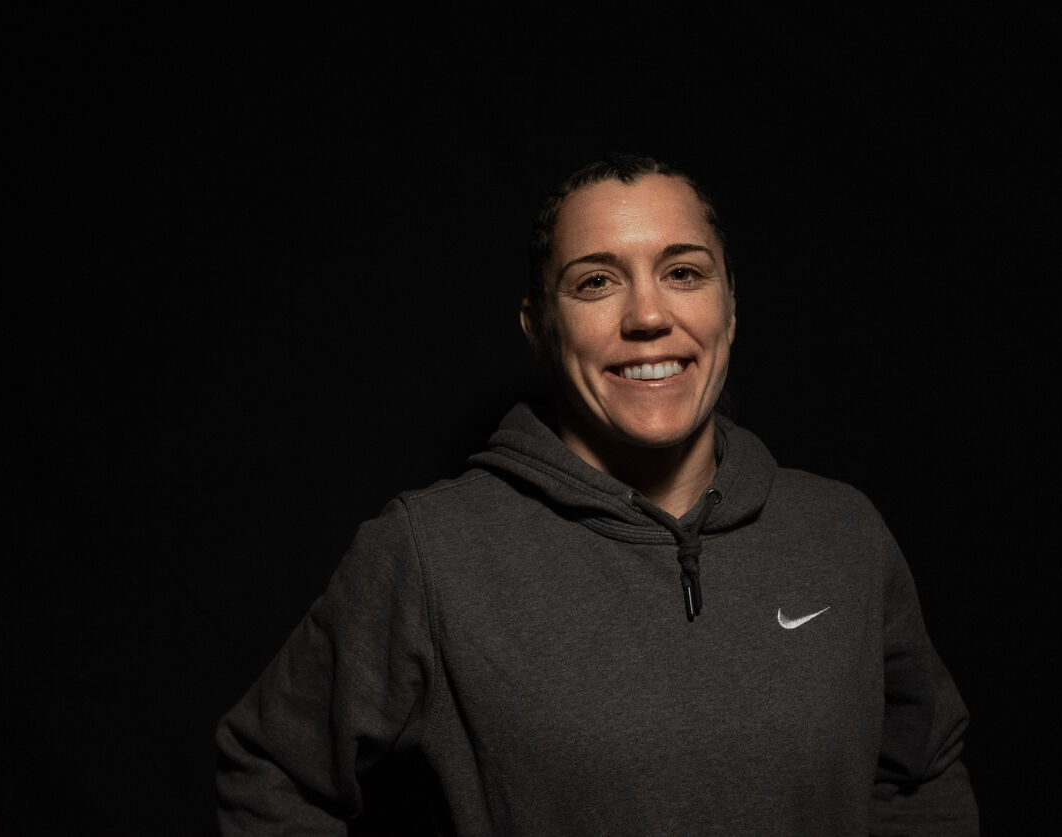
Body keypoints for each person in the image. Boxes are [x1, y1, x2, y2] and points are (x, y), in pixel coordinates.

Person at [215, 153, 978, 835]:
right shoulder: (431, 554)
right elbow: (269, 769)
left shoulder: (844, 533)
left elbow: (921, 773)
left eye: (684, 272)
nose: (647, 316)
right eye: (596, 282)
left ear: (730, 305)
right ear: (540, 327)